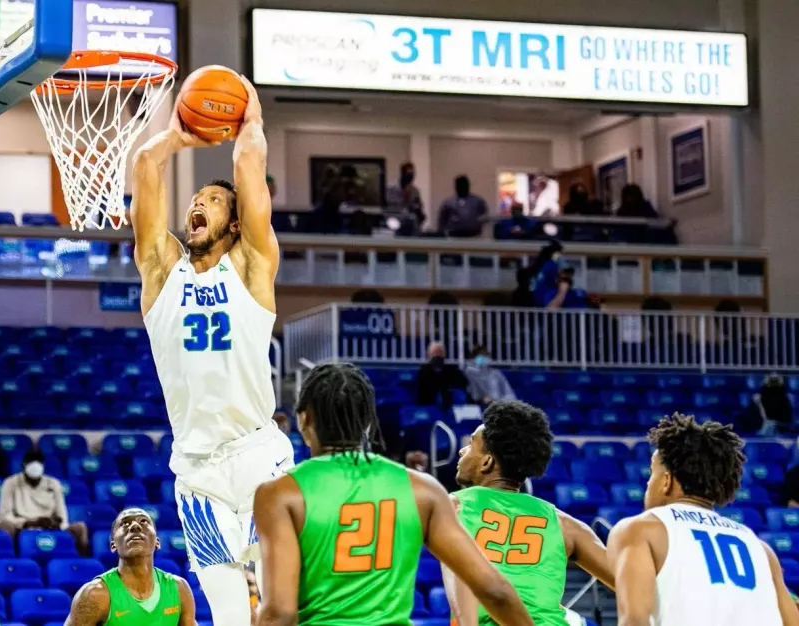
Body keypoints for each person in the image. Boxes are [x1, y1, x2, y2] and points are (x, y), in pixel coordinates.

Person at [131, 71, 293, 626]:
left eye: (213, 201)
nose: (198, 204)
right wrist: (177, 135)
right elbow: (147, 168)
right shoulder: (160, 272)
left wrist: (250, 117)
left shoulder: (250, 267)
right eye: (195, 199)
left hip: (259, 458)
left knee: (277, 607)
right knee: (227, 617)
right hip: (195, 468)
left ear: (233, 223)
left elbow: (249, 169)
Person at [253, 363, 533, 626]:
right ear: (367, 422)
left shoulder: (279, 494)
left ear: (304, 419)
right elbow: (494, 590)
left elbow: (281, 613)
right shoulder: (423, 490)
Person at [607, 414, 799, 626]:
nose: (648, 484)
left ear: (667, 481)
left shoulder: (638, 530)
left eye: (652, 474)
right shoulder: (761, 549)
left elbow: (634, 622)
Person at [445, 400, 613, 626]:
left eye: (471, 444)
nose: (462, 450)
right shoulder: (565, 525)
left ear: (487, 462)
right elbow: (636, 586)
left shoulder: (451, 506)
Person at [64, 507, 197, 626]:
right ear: (113, 545)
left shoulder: (179, 589)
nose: (135, 526)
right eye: (125, 523)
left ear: (157, 541)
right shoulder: (95, 594)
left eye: (143, 521)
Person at [0, 449, 89, 556]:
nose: (35, 465)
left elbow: (62, 516)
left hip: (49, 526)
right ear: (23, 465)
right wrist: (28, 523)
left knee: (80, 528)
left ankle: (82, 564)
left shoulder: (54, 484)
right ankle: (15, 561)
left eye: (38, 462)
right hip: (22, 527)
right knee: (5, 526)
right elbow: (3, 516)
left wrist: (55, 523)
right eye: (31, 462)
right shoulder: (10, 483)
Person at [415, 342, 467, 409]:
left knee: (459, 394)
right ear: (429, 354)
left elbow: (463, 382)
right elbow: (423, 388)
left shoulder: (451, 369)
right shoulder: (424, 370)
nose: (437, 355)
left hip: (448, 395)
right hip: (430, 398)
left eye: (440, 352)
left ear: (444, 354)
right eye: (435, 352)